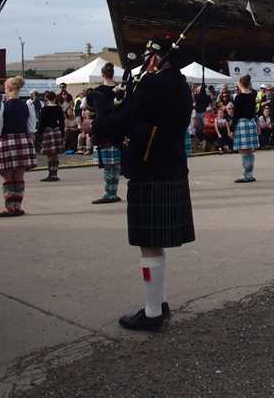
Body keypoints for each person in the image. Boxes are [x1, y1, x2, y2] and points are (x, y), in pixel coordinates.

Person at [91, 40, 195, 332]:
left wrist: (102, 108)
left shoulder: (152, 86)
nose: (144, 62)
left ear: (157, 58)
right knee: (154, 244)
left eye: (148, 56)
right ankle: (158, 303)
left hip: (149, 169)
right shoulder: (181, 85)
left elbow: (116, 125)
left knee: (148, 244)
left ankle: (151, 313)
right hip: (171, 166)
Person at [0, 76, 36, 217]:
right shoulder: (27, 105)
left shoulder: (2, 106)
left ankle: (10, 208)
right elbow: (31, 129)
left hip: (7, 141)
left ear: (9, 88)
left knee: (7, 177)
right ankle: (17, 206)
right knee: (19, 177)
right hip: (23, 141)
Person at [90, 62, 123, 204]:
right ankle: (113, 191)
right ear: (112, 74)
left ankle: (110, 193)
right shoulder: (121, 89)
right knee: (115, 165)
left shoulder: (97, 92)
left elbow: (98, 113)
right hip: (119, 128)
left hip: (104, 130)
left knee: (108, 166)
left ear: (102, 75)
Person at [231, 75, 259, 183]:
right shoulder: (252, 96)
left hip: (242, 124)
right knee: (250, 151)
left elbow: (236, 115)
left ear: (241, 84)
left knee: (243, 151)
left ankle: (246, 176)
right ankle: (249, 174)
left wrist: (233, 129)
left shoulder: (238, 97)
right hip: (251, 123)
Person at [38, 91, 65, 181]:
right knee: (56, 154)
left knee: (50, 155)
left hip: (47, 131)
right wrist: (62, 133)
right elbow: (62, 122)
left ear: (46, 98)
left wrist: (39, 134)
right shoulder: (59, 108)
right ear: (55, 98)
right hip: (57, 131)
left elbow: (41, 123)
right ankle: (55, 175)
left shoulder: (44, 109)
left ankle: (50, 175)